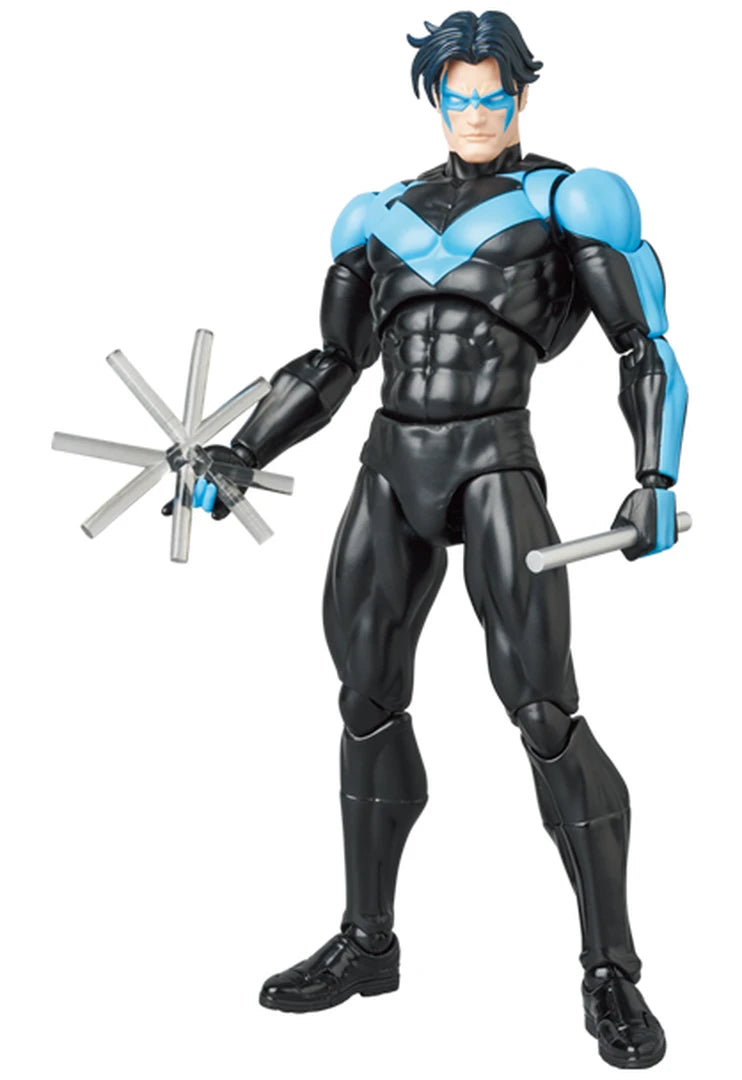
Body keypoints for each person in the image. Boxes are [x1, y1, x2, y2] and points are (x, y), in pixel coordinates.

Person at [179, 10, 687, 1069]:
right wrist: (237, 452)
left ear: (520, 95)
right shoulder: (377, 215)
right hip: (390, 466)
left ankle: (611, 971)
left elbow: (644, 347)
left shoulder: (569, 200)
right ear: (435, 99)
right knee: (365, 701)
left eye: (492, 96)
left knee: (544, 712)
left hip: (495, 460)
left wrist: (654, 481)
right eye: (458, 97)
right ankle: (368, 943)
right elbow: (332, 363)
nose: (475, 113)